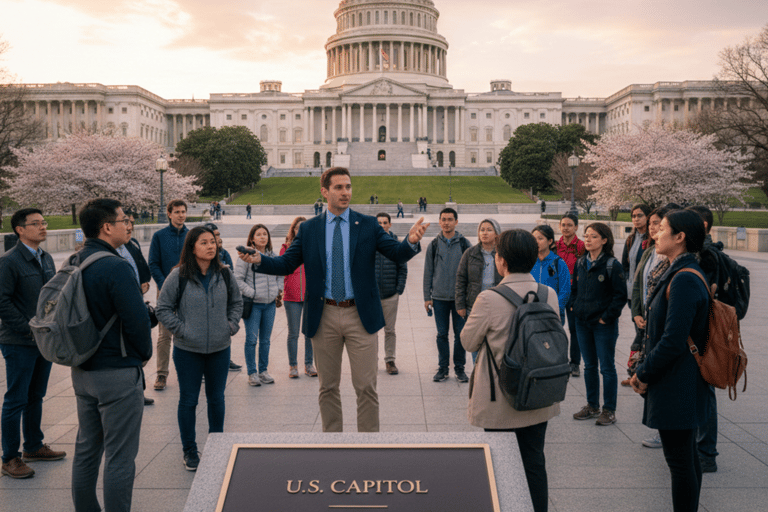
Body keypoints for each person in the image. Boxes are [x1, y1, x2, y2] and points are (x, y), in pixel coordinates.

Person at [238, 167, 427, 432]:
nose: (345, 192)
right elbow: (287, 263)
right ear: (324, 191)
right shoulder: (310, 229)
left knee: (366, 387)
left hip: (360, 316)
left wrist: (410, 242)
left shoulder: (368, 224)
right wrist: (260, 260)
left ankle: (368, 446)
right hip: (323, 314)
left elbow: (396, 252)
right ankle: (332, 444)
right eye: (339, 187)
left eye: (348, 187)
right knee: (327, 387)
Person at [461, 229, 561, 512]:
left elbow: (468, 341)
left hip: (499, 398)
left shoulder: (489, 298)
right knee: (534, 462)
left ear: (501, 260)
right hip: (538, 392)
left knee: (499, 466)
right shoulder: (548, 294)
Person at [70, 198, 152, 512]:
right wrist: (142, 356)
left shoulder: (75, 261)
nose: (127, 224)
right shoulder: (116, 265)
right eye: (122, 220)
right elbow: (137, 322)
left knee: (87, 451)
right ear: (106, 227)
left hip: (83, 370)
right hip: (117, 371)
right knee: (120, 456)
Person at [630, 210, 710, 512]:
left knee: (679, 462)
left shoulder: (684, 278)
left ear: (680, 237)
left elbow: (674, 339)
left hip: (678, 381)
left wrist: (643, 372)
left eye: (662, 229)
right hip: (680, 379)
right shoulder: (679, 270)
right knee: (686, 457)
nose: (655, 233)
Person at [156, 226, 243, 471]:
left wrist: (230, 326)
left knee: (217, 399)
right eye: (204, 242)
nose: (211, 246)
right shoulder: (178, 275)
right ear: (192, 247)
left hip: (219, 347)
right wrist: (182, 330)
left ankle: (217, 447)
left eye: (213, 242)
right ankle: (190, 450)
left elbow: (237, 302)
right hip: (187, 351)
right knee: (189, 401)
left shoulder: (225, 274)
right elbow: (163, 308)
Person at [0, 209, 64, 479]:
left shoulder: (46, 258)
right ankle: (10, 458)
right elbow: (2, 301)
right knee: (16, 399)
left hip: (43, 340)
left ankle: (34, 446)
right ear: (19, 229)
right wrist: (28, 328)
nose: (43, 227)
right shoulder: (9, 261)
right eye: (35, 224)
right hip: (19, 341)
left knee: (36, 396)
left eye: (44, 222)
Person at [568, 222, 626, 426]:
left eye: (593, 236)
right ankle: (592, 406)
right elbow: (574, 288)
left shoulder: (612, 265)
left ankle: (609, 410)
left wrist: (606, 317)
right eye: (586, 235)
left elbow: (620, 296)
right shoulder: (580, 262)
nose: (588, 239)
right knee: (589, 366)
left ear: (604, 239)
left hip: (603, 325)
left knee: (607, 367)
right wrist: (574, 306)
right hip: (583, 322)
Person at [628, 205, 672, 449]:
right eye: (654, 224)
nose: (654, 229)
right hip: (645, 319)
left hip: (658, 324)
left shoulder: (678, 265)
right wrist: (636, 312)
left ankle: (665, 429)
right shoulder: (648, 251)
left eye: (660, 225)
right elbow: (637, 282)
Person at [424, 207, 471, 383]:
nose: (446, 222)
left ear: (456, 222)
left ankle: (460, 368)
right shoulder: (434, 244)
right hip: (439, 298)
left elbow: (471, 272)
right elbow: (428, 272)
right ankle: (443, 368)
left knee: (460, 335)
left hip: (460, 299)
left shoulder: (465, 244)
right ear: (439, 222)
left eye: (450, 219)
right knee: (441, 334)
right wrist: (426, 297)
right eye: (443, 219)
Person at [148, 199, 189, 391]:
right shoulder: (159, 236)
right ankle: (161, 374)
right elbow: (153, 263)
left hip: (189, 290)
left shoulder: (192, 236)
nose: (181, 215)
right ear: (169, 214)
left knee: (188, 332)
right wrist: (165, 284)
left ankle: (189, 371)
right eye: (177, 212)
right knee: (164, 335)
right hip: (164, 290)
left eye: (183, 212)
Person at [235, 224, 284, 386]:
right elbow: (238, 280)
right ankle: (252, 372)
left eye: (265, 234)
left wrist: (277, 289)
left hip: (269, 305)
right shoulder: (245, 257)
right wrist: (253, 293)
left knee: (265, 340)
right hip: (253, 305)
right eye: (259, 234)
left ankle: (263, 370)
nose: (263, 237)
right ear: (252, 239)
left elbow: (280, 275)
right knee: (251, 339)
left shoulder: (273, 256)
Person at [117, 216, 157, 405]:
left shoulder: (132, 244)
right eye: (125, 223)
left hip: (138, 301)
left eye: (131, 223)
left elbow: (143, 267)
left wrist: (144, 282)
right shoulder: (110, 251)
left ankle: (139, 391)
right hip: (122, 309)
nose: (129, 227)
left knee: (139, 350)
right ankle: (132, 392)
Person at [455, 218, 502, 363]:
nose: (485, 233)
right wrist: (460, 305)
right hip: (474, 305)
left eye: (489, 230)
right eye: (482, 230)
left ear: (496, 233)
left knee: (495, 343)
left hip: (497, 306)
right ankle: (477, 373)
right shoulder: (470, 253)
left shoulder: (503, 254)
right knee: (476, 343)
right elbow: (461, 279)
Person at [280, 217, 316, 379]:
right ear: (293, 230)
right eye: (297, 228)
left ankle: (309, 364)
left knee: (309, 333)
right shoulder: (286, 248)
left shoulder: (314, 246)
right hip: (292, 296)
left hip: (310, 296)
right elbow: (281, 270)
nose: (300, 230)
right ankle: (293, 365)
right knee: (293, 333)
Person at [374, 213, 408, 375]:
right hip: (371, 295)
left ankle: (390, 360)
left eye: (384, 223)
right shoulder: (367, 243)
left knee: (390, 330)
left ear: (390, 225)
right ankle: (371, 360)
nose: (381, 225)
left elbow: (403, 268)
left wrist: (398, 289)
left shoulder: (396, 244)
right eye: (378, 223)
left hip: (390, 293)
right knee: (370, 330)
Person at [205, 222, 242, 372]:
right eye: (214, 235)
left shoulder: (224, 253)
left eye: (218, 235)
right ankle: (205, 366)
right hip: (206, 300)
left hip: (222, 298)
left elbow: (231, 273)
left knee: (223, 331)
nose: (217, 238)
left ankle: (225, 359)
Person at [556, 213, 585, 376]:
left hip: (575, 292)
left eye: (569, 225)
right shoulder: (555, 246)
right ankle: (557, 360)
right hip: (557, 290)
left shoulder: (581, 246)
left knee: (574, 328)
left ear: (576, 227)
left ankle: (574, 363)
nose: (566, 228)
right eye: (563, 225)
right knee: (556, 326)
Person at [531, 225, 571, 322]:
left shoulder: (558, 263)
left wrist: (556, 308)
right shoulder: (529, 262)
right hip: (532, 313)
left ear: (550, 241)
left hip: (553, 315)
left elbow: (565, 290)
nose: (536, 242)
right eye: (533, 239)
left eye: (540, 238)